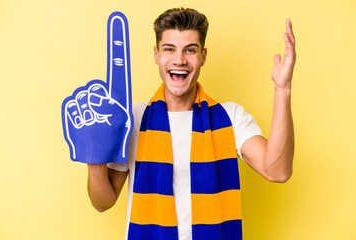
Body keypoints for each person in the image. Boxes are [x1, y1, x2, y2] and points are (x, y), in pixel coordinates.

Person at [87, 7, 296, 240]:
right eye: (169, 49)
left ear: (203, 56)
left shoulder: (231, 118)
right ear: (156, 54)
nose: (179, 60)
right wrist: (93, 150)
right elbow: (102, 202)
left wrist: (283, 89)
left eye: (190, 50)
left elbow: (278, 171)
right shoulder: (134, 119)